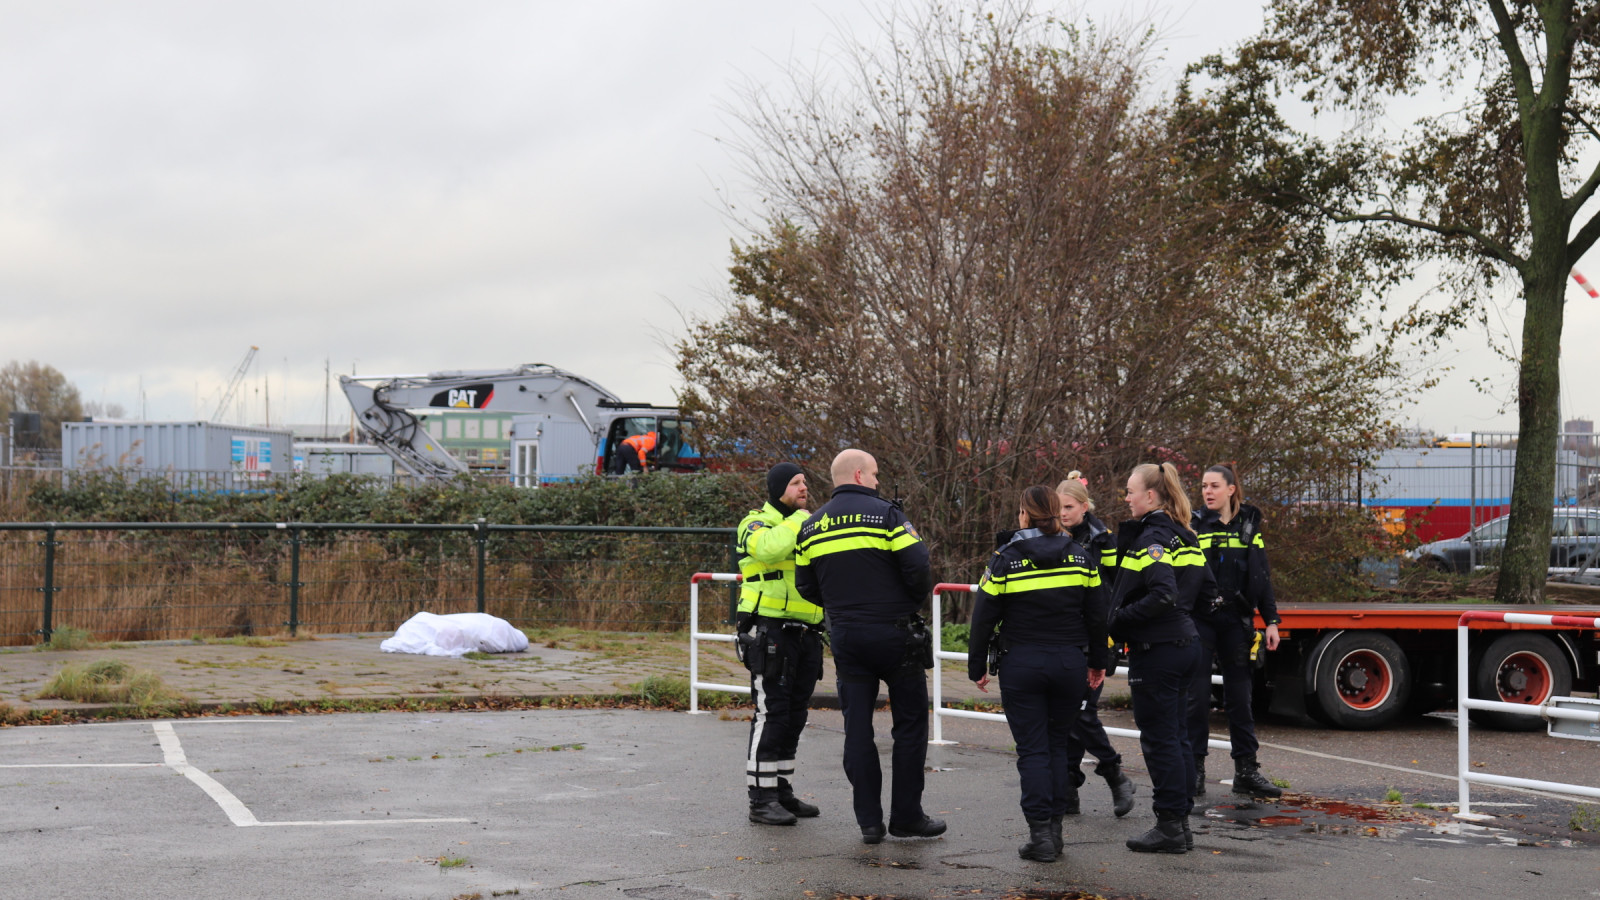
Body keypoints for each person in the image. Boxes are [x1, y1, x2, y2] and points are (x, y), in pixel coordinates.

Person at [794, 448, 945, 845]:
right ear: (859, 475)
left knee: (856, 730)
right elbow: (918, 567)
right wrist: (906, 604)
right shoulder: (889, 516)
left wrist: (842, 610)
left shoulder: (810, 527)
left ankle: (869, 822)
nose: (879, 481)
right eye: (876, 474)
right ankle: (907, 816)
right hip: (896, 635)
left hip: (847, 637)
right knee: (910, 725)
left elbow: (805, 586)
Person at [968, 485, 1109, 863]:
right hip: (1068, 663)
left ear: (1025, 516)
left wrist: (976, 666)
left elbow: (983, 616)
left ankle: (1041, 836)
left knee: (1032, 750)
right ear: (1056, 515)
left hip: (1023, 664)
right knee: (1058, 746)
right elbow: (1097, 615)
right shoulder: (1081, 556)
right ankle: (1056, 833)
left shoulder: (1005, 558)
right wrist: (1099, 661)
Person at [1108, 462, 1214, 853]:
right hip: (1186, 646)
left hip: (1160, 651)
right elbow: (1209, 594)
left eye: (1131, 491)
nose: (1126, 498)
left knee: (1161, 741)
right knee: (1178, 737)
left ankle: (1170, 825)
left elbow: (1163, 593)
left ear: (1150, 496)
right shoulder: (1185, 535)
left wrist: (1118, 621)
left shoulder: (1153, 536)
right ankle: (1179, 823)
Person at [736, 462, 826, 826]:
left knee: (795, 715)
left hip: (807, 631)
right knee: (771, 713)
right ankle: (761, 798)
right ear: (777, 489)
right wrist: (799, 520)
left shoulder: (806, 523)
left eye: (805, 481)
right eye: (795, 482)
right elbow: (770, 551)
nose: (804, 487)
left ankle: (782, 790)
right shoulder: (756, 522)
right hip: (770, 630)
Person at [1187, 463, 1283, 799]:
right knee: (1196, 698)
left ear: (1231, 489)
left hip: (1236, 621)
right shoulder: (1194, 525)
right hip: (1200, 620)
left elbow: (1262, 576)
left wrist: (1271, 621)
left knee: (1240, 699)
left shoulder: (1249, 526)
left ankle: (1246, 770)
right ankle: (1194, 770)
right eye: (1203, 486)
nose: (1207, 492)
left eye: (1214, 486)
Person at [1056, 473, 1137, 818]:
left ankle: (1113, 770)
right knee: (1070, 714)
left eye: (1069, 507)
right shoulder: (1054, 538)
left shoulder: (1105, 542)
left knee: (1080, 712)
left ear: (1084, 507)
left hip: (1097, 638)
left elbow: (1114, 591)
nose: (1062, 514)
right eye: (1058, 508)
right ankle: (1070, 786)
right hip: (1065, 637)